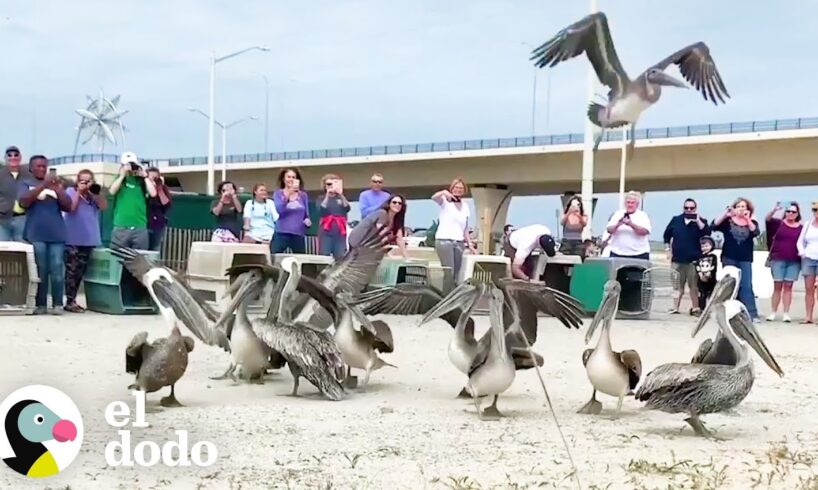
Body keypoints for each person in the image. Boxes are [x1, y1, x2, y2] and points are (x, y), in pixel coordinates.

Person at [18, 156, 71, 315]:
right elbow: (24, 202)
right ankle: (40, 304)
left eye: (44, 166)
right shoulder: (25, 183)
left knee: (56, 268)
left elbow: (68, 206)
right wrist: (43, 186)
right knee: (41, 269)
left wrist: (58, 189)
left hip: (57, 233)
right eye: (38, 166)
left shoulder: (57, 185)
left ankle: (57, 304)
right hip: (36, 233)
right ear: (31, 168)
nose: (42, 169)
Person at [63, 169, 107, 313]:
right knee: (71, 271)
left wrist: (96, 192)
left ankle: (73, 300)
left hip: (88, 240)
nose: (86, 183)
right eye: (83, 180)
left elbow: (104, 207)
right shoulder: (71, 191)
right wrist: (79, 191)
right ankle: (69, 301)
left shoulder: (93, 196)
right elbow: (71, 208)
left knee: (80, 272)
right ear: (78, 180)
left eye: (89, 180)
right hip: (72, 239)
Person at [712, 197, 761, 322]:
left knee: (746, 286)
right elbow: (713, 225)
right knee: (729, 285)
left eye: (743, 206)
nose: (740, 209)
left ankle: (751, 314)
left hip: (745, 258)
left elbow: (755, 232)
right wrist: (725, 214)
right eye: (738, 206)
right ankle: (726, 312)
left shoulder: (752, 222)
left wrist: (747, 219)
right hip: (729, 257)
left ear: (748, 209)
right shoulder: (728, 221)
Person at [663, 198, 711, 316]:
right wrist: (668, 250)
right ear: (683, 208)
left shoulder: (701, 221)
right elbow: (666, 236)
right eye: (686, 208)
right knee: (676, 286)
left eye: (691, 208)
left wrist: (698, 220)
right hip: (677, 260)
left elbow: (707, 233)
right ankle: (675, 307)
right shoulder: (676, 220)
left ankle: (695, 308)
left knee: (694, 286)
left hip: (694, 260)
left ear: (695, 208)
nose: (689, 210)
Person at [108, 152, 157, 250]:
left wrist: (145, 176)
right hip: (121, 226)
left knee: (140, 258)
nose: (130, 167)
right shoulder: (120, 180)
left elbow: (153, 193)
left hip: (139, 226)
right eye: (127, 165)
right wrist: (122, 175)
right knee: (117, 258)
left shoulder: (142, 182)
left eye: (132, 165)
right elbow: (112, 191)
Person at [432, 178, 475, 285]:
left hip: (459, 242)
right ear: (452, 189)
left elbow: (465, 227)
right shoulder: (445, 201)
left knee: (456, 274)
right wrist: (444, 192)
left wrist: (470, 244)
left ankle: (453, 295)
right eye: (456, 187)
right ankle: (446, 298)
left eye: (461, 188)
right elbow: (434, 197)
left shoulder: (465, 205)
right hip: (444, 240)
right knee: (449, 272)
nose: (458, 190)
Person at [765, 201, 803, 323]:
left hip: (794, 260)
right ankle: (773, 312)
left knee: (788, 286)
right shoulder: (778, 224)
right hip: (778, 258)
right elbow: (767, 219)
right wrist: (774, 209)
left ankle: (786, 313)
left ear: (797, 214)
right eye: (788, 211)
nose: (791, 213)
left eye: (793, 212)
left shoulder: (801, 228)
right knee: (777, 286)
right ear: (785, 212)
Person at [272, 167, 310, 254]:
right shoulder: (278, 194)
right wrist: (289, 194)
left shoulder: (303, 195)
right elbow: (279, 211)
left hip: (298, 233)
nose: (291, 179)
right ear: (284, 179)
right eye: (289, 177)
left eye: (293, 177)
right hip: (282, 232)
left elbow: (306, 215)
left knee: (300, 259)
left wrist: (307, 221)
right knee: (275, 257)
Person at [605, 191, 652, 260]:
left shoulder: (643, 216)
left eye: (632, 203)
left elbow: (645, 232)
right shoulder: (617, 214)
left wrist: (631, 224)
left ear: (637, 204)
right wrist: (618, 224)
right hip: (617, 253)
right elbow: (609, 230)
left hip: (639, 254)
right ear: (625, 203)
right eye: (628, 202)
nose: (630, 205)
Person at [0, 145, 30, 241]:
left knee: (21, 249)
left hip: (22, 219)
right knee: (3, 250)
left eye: (16, 155)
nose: (13, 157)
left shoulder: (28, 174)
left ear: (20, 157)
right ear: (5, 158)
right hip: (3, 220)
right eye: (9, 155)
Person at [317, 174, 351, 260]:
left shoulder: (341, 198)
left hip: (339, 233)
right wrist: (328, 195)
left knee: (340, 257)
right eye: (328, 184)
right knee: (324, 256)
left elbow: (347, 208)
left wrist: (341, 195)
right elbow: (321, 210)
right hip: (326, 233)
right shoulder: (321, 198)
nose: (331, 186)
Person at [797, 201, 818, 324]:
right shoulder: (808, 224)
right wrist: (802, 253)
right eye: (815, 210)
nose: (816, 213)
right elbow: (800, 241)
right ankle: (808, 316)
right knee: (808, 289)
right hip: (809, 258)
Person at [146, 167, 172, 252]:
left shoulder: (162, 188)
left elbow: (166, 204)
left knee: (155, 248)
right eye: (151, 178)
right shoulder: (143, 187)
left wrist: (159, 189)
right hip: (144, 222)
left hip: (158, 223)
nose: (153, 180)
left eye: (156, 178)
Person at [695, 236, 718, 311]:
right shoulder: (699, 256)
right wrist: (701, 275)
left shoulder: (713, 256)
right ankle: (702, 309)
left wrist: (708, 274)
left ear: (711, 246)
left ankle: (710, 309)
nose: (705, 248)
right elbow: (697, 267)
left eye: (707, 246)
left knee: (711, 295)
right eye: (703, 246)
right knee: (702, 294)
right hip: (701, 280)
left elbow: (714, 266)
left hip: (711, 279)